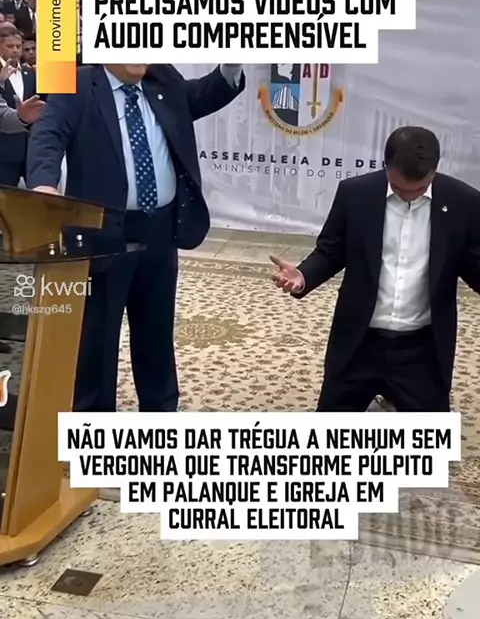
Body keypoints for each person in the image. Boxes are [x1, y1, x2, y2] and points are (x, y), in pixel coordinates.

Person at [27, 62, 245, 412]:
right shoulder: (78, 84)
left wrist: (231, 67)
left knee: (156, 333)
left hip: (160, 231)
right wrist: (43, 183)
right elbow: (48, 134)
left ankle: (159, 416)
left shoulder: (163, 78)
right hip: (103, 233)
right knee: (97, 340)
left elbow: (203, 95)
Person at [271, 126, 480, 412]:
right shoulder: (355, 194)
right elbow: (331, 251)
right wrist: (305, 274)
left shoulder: (463, 202)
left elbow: (474, 264)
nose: (409, 198)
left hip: (422, 351)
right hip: (359, 342)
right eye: (399, 189)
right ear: (386, 166)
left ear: (435, 170)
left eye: (419, 191)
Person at [0, 27, 36, 185]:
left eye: (18, 46)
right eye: (10, 46)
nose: (15, 50)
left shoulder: (30, 73)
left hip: (29, 148)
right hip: (4, 151)